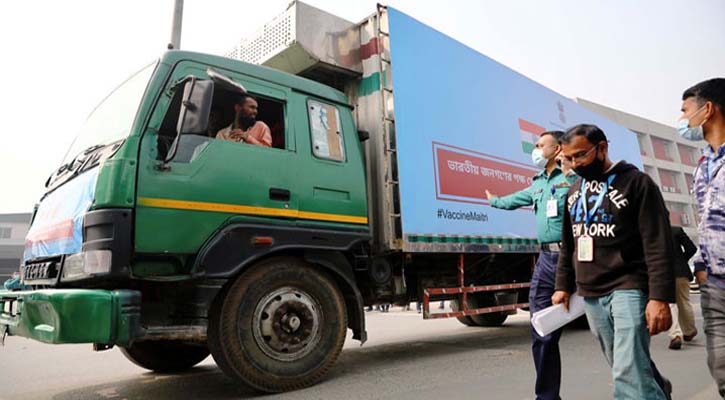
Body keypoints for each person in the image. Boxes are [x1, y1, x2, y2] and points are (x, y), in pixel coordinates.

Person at [552, 124, 674, 400]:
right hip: (591, 291)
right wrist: (562, 284)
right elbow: (569, 243)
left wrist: (659, 297)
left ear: (602, 148)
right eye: (569, 159)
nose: (574, 164)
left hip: (628, 284)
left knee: (626, 369)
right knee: (622, 362)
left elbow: (657, 242)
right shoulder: (574, 192)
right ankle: (657, 389)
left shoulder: (636, 183)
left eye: (580, 156)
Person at [486, 130, 575, 400]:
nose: (535, 149)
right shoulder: (537, 183)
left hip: (573, 259)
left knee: (608, 327)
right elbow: (516, 199)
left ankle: (648, 383)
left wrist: (572, 172)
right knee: (541, 328)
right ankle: (547, 397)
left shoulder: (573, 179)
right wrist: (495, 202)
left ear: (558, 149)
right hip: (545, 261)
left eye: (540, 145)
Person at [678, 78, 725, 396]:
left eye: (685, 111)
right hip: (715, 285)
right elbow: (705, 222)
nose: (682, 120)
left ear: (707, 110)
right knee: (721, 367)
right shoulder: (702, 166)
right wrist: (702, 264)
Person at [667, 226, 698, 350]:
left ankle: (675, 336)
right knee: (684, 301)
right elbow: (692, 248)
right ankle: (689, 331)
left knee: (670, 304)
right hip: (681, 272)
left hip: (663, 273)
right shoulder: (676, 230)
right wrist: (682, 260)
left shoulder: (652, 231)